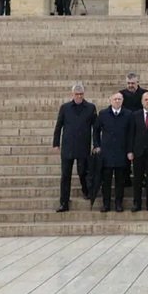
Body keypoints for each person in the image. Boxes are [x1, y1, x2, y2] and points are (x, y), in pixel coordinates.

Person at [52, 83, 96, 212]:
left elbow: (96, 127)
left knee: (83, 172)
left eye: (81, 94)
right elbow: (59, 126)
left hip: (83, 146)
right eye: (77, 94)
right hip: (68, 146)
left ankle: (86, 191)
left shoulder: (90, 108)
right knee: (65, 175)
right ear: (72, 94)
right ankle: (64, 202)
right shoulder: (65, 108)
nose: (79, 96)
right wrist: (56, 143)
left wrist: (96, 144)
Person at [93, 93, 134, 213]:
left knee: (120, 181)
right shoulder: (103, 114)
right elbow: (96, 131)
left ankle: (118, 204)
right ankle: (106, 204)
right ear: (110, 100)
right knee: (106, 181)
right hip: (106, 153)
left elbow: (131, 134)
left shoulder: (128, 114)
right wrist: (97, 145)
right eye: (115, 99)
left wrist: (130, 150)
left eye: (119, 99)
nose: (117, 101)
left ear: (122, 100)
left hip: (121, 152)